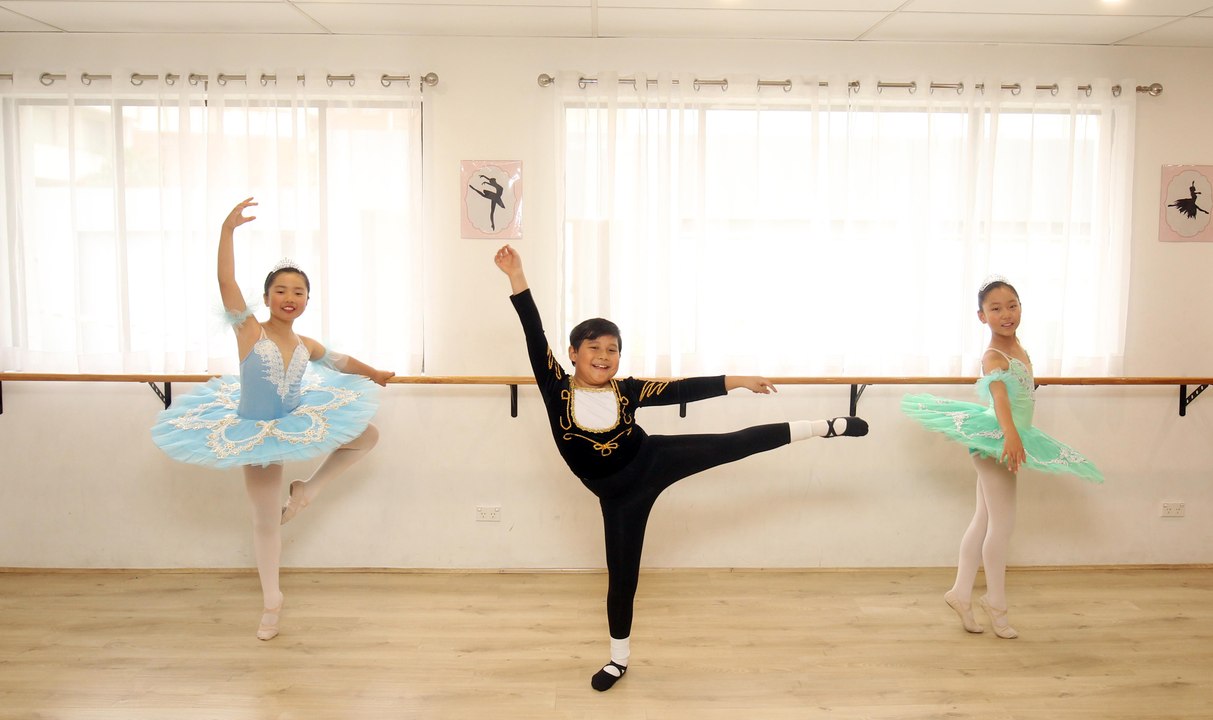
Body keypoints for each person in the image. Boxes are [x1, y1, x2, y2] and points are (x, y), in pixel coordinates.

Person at [493, 244, 868, 691]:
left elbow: (680, 388)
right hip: (618, 498)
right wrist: (517, 275)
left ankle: (824, 426)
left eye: (612, 349)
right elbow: (533, 332)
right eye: (594, 347)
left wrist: (737, 381)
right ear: (573, 353)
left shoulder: (627, 389)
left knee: (734, 444)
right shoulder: (555, 386)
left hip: (653, 460)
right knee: (622, 578)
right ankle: (618, 660)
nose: (604, 355)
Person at [151, 197, 393, 641]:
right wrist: (227, 230)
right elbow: (225, 280)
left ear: (306, 301)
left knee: (368, 435)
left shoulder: (306, 344)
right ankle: (271, 603)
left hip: (294, 420)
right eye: (280, 290)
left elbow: (341, 362)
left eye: (298, 292)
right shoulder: (249, 330)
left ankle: (307, 490)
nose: (289, 298)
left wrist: (375, 373)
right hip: (255, 431)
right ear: (266, 298)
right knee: (264, 521)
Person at [902, 277, 1102, 640]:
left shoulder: (1019, 348)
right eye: (996, 309)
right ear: (982, 317)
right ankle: (997, 605)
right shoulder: (994, 356)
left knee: (983, 519)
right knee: (1003, 525)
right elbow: (1000, 398)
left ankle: (961, 593)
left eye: (1012, 305)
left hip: (1007, 435)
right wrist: (1010, 436)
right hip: (998, 438)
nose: (1006, 314)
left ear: (1021, 307)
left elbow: (1021, 391)